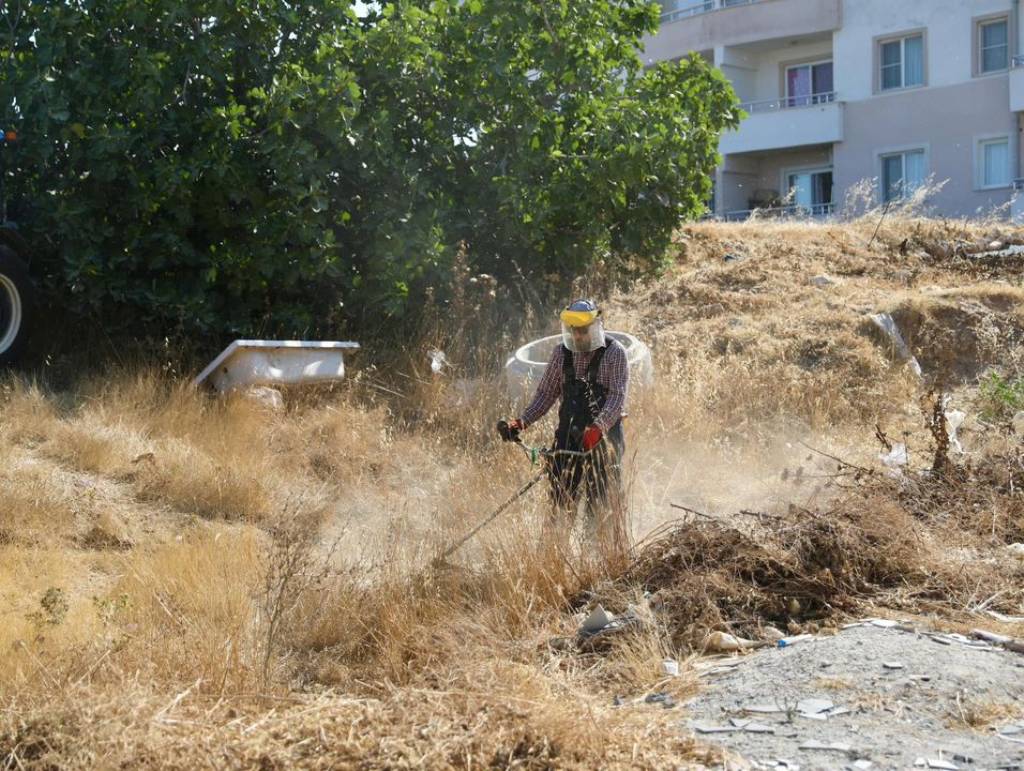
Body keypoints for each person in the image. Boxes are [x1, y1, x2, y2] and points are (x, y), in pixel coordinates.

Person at [498, 299, 629, 537]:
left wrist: (598, 428)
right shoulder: (561, 354)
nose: (578, 336)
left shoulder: (615, 354)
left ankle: (598, 560)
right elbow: (546, 393)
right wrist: (521, 422)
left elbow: (616, 398)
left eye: (582, 330)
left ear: (596, 325)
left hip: (604, 441)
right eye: (573, 331)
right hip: (568, 439)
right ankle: (552, 557)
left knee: (599, 508)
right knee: (560, 505)